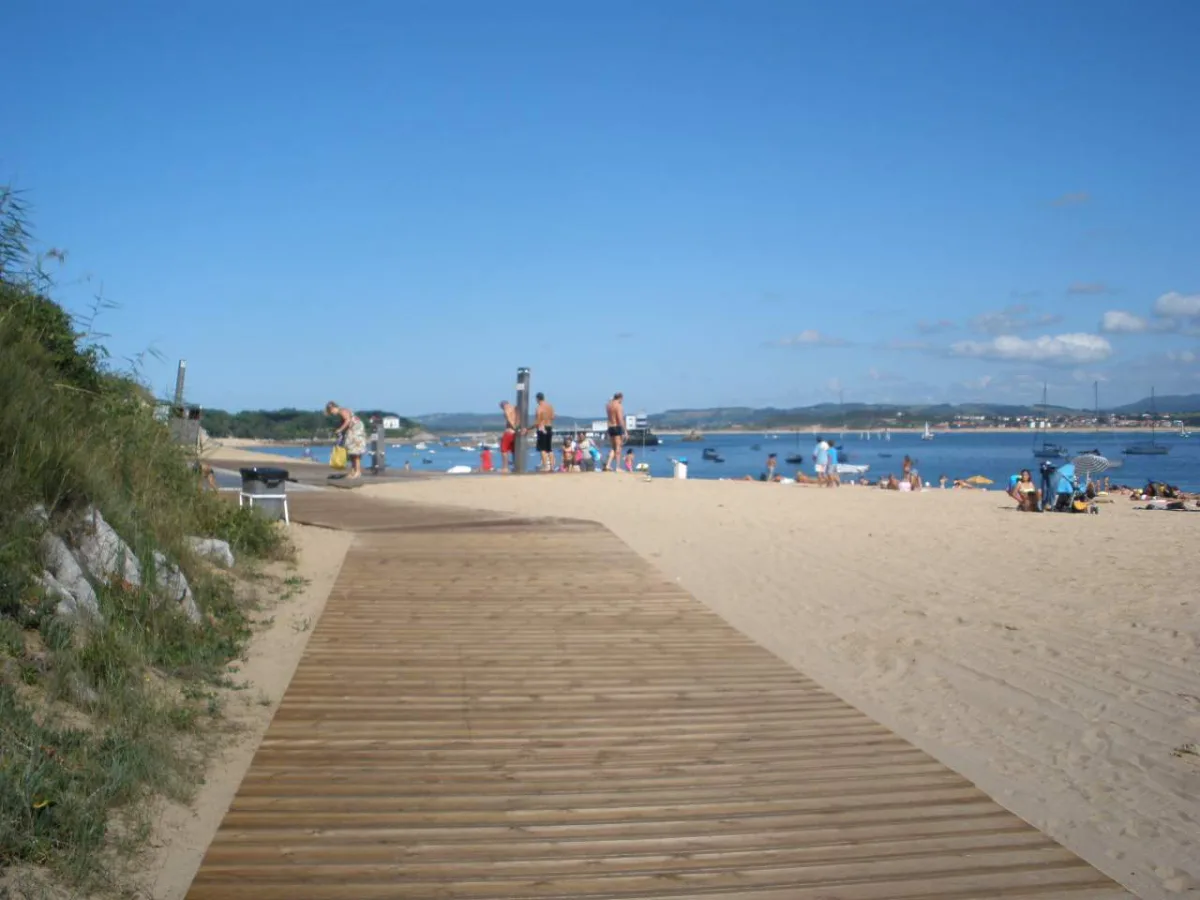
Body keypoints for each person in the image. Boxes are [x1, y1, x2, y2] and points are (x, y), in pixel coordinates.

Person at [326, 401, 367, 479]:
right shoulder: (341, 412)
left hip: (355, 431)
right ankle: (353, 471)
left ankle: (357, 472)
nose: (332, 413)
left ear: (334, 408)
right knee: (351, 453)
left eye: (331, 411)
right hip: (352, 432)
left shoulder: (342, 411)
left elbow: (348, 420)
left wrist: (340, 430)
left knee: (355, 452)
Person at [604, 392, 626, 471]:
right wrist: (625, 431)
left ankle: (608, 465)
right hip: (616, 427)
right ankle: (617, 467)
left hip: (610, 427)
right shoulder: (618, 406)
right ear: (620, 398)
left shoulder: (608, 405)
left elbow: (609, 417)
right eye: (622, 399)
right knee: (618, 448)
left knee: (613, 447)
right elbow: (620, 419)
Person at [534, 392, 555, 472]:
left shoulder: (539, 408)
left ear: (537, 399)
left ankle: (545, 466)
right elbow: (553, 417)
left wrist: (530, 428)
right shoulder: (550, 406)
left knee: (542, 449)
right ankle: (552, 467)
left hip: (542, 428)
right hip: (549, 427)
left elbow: (537, 421)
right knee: (549, 448)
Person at [499, 400, 519, 473]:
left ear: (503, 405)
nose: (502, 409)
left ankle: (505, 467)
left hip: (509, 432)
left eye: (502, 407)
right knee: (514, 451)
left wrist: (514, 428)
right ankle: (515, 467)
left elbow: (510, 420)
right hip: (515, 433)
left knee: (504, 450)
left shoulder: (506, 410)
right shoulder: (515, 408)